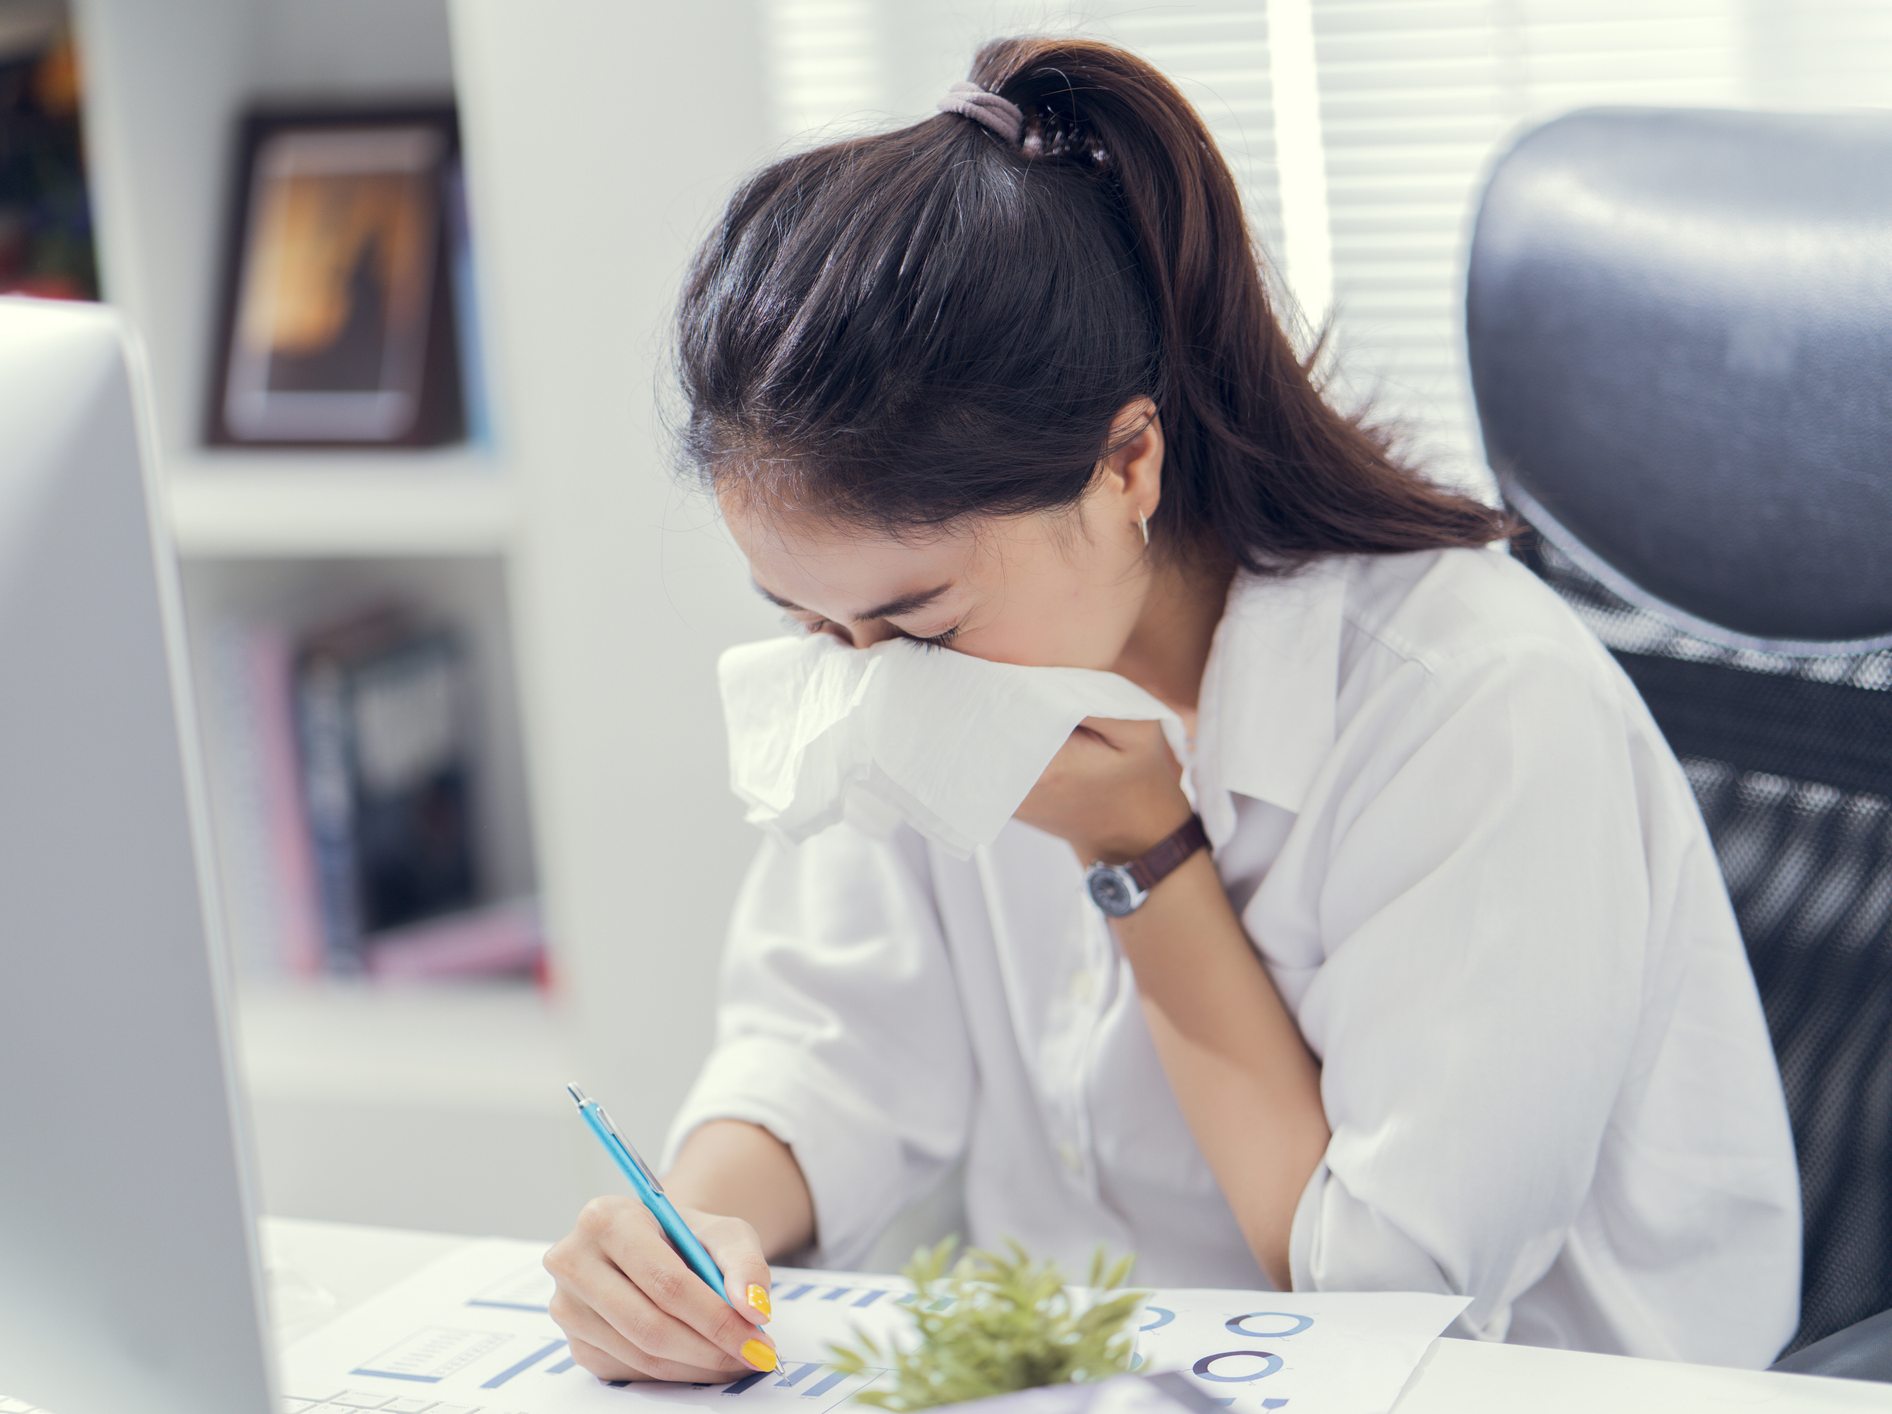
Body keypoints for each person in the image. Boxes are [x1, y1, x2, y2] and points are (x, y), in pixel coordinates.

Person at [542, 35, 1801, 1382]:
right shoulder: (915, 659)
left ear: (1127, 463)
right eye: (808, 622)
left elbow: (1385, 1296)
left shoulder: (1482, 713)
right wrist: (700, 1229)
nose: (868, 675)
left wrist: (1140, 849)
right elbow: (826, 1040)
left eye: (915, 622)